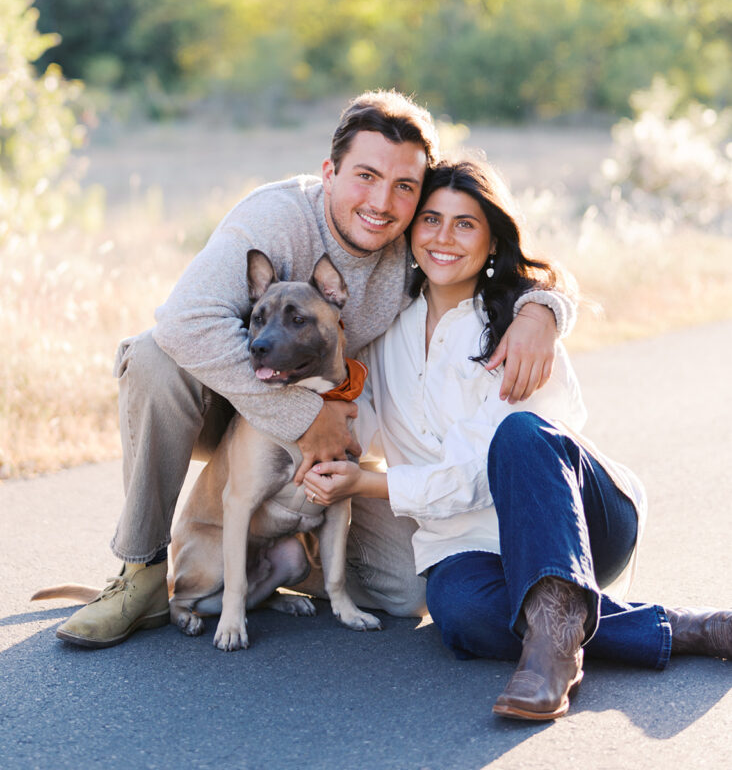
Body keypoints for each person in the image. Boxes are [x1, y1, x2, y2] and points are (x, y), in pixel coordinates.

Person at [57, 91, 575, 649]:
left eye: (404, 186)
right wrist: (304, 417)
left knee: (407, 593)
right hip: (226, 404)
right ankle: (142, 572)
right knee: (154, 357)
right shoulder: (276, 217)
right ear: (329, 172)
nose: (381, 202)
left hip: (337, 410)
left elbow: (500, 256)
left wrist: (543, 308)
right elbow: (184, 321)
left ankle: (282, 562)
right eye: (366, 176)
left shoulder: (413, 242)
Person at [304, 157, 732, 721]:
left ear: (491, 240)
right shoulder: (384, 332)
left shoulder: (518, 323)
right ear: (409, 232)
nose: (444, 238)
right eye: (430, 220)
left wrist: (370, 484)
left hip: (578, 520)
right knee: (458, 615)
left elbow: (484, 473)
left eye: (465, 224)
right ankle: (682, 627)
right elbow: (362, 417)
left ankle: (553, 660)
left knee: (519, 433)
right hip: (468, 547)